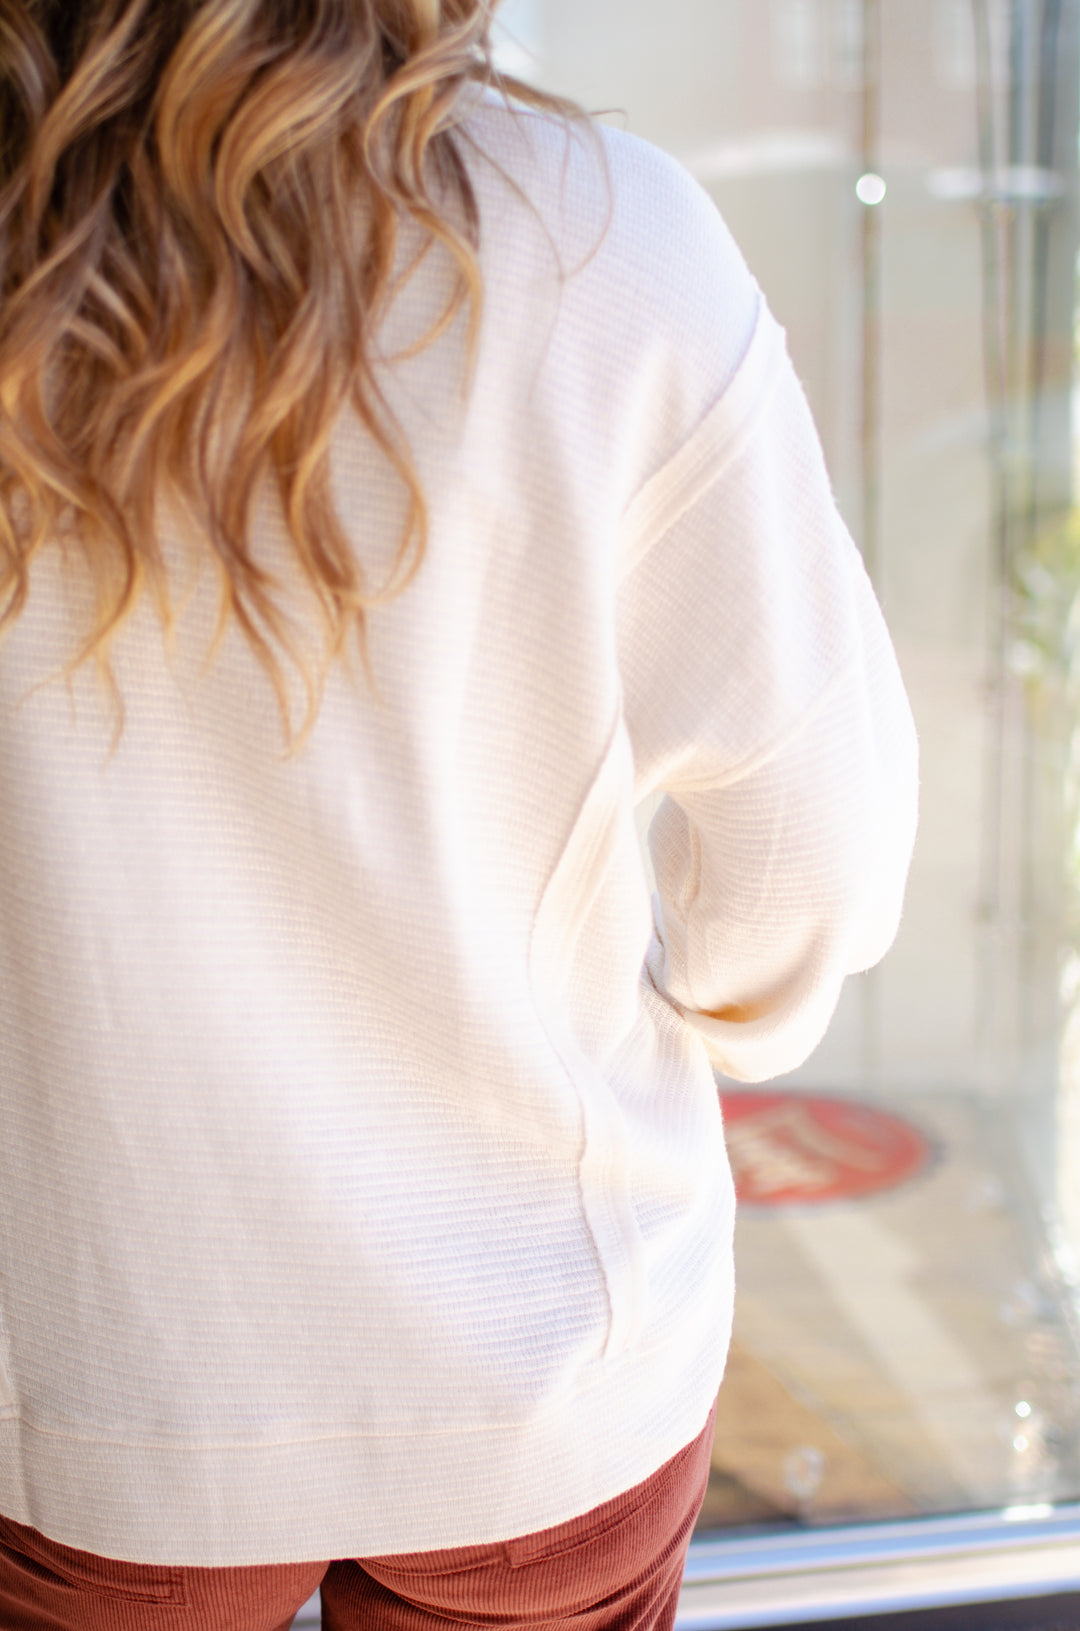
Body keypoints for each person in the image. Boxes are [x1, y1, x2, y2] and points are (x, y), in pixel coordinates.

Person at [0, 1, 919, 1628]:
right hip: (542, 1359)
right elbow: (809, 851)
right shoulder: (605, 239)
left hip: (88, 1366)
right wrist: (703, 1015)